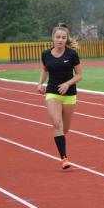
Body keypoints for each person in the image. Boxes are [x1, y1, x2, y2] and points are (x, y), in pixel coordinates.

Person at [37, 23, 82, 169]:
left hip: (69, 94)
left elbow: (79, 75)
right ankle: (64, 158)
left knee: (65, 129)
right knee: (57, 123)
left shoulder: (71, 54)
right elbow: (44, 70)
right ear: (53, 38)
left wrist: (67, 84)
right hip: (52, 92)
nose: (60, 40)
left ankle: (62, 146)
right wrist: (40, 84)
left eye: (63, 37)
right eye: (58, 37)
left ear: (66, 39)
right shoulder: (45, 54)